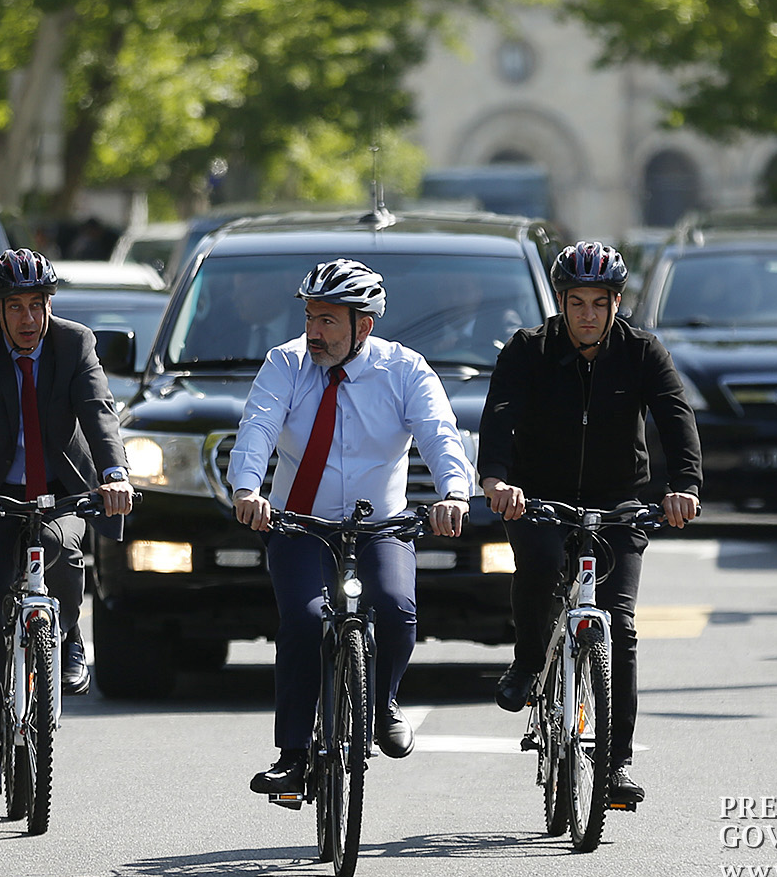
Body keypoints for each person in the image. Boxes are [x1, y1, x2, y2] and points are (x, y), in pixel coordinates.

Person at [228, 258, 474, 795]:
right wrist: (247, 489)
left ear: (364, 325)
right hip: (299, 525)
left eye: (328, 320)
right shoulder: (285, 363)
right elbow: (258, 426)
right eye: (310, 317)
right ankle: (294, 755)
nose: (313, 332)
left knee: (396, 608)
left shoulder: (404, 369)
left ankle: (382, 703)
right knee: (303, 619)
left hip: (379, 526)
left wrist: (454, 493)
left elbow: (439, 433)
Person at [477, 240, 702, 808]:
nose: (588, 315)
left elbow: (675, 415)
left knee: (619, 624)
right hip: (538, 497)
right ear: (561, 302)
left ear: (616, 303)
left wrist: (685, 487)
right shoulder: (529, 349)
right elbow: (500, 412)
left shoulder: (643, 351)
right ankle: (530, 660)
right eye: (577, 303)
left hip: (618, 502)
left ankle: (616, 764)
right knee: (540, 565)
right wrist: (497, 480)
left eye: (599, 303)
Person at [0, 248, 135, 797]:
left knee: (61, 548)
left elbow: (98, 410)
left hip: (60, 489)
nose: (28, 318)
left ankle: (66, 634)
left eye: (37, 305)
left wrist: (114, 475)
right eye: (15, 306)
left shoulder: (75, 343)